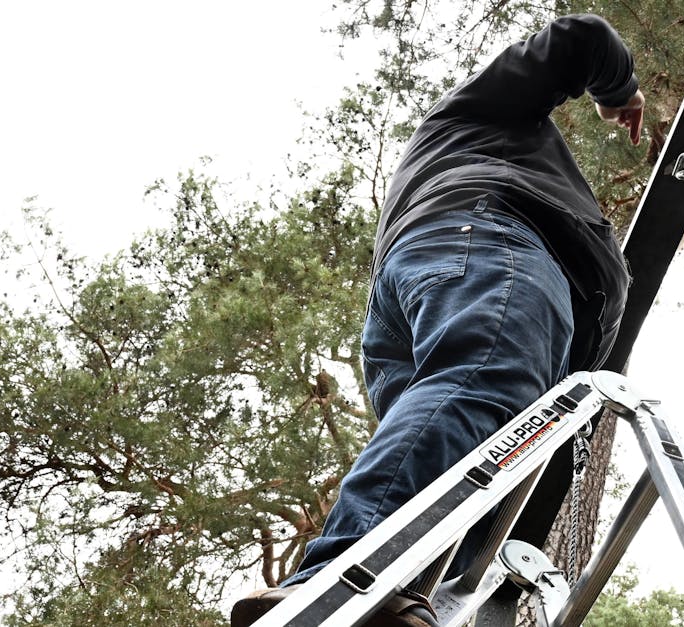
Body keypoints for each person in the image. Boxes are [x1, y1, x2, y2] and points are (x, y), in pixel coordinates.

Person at [231, 14, 641, 627]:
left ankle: (394, 596)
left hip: (425, 285)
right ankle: (339, 580)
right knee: (479, 384)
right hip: (493, 240)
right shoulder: (473, 118)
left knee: (459, 452)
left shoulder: (436, 170)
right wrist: (620, 93)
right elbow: (582, 39)